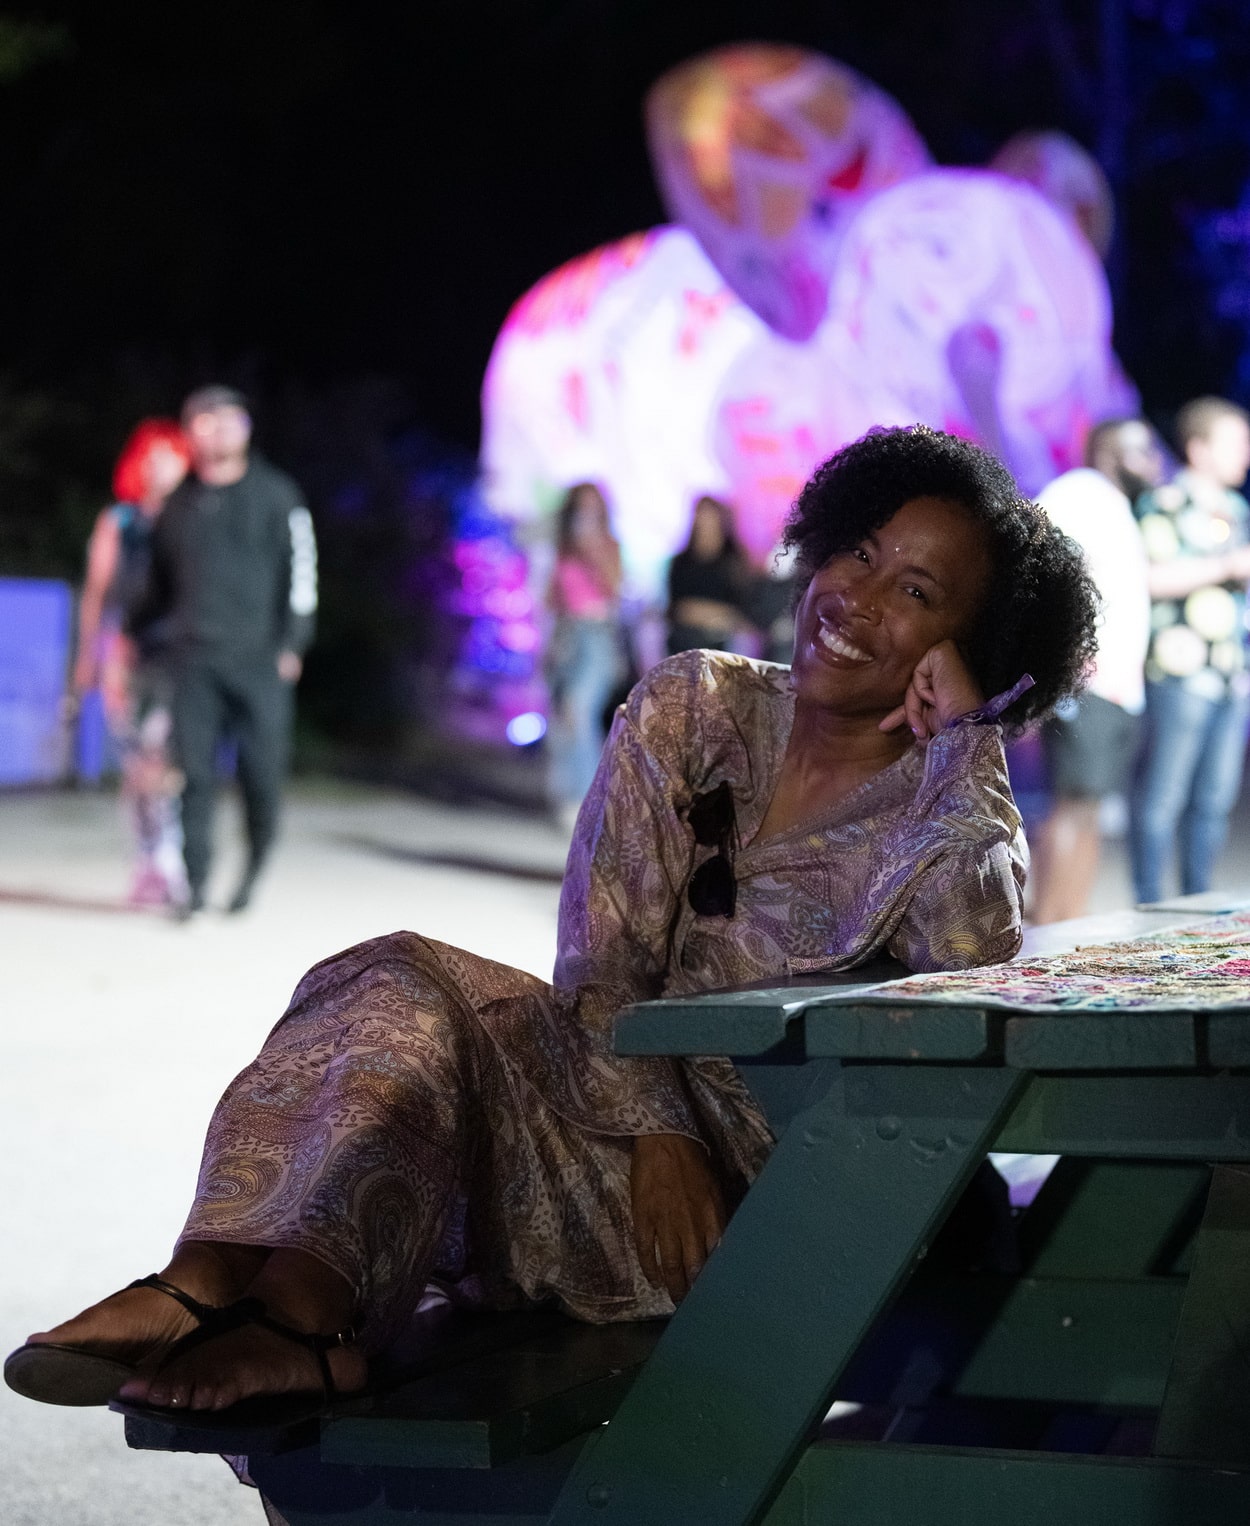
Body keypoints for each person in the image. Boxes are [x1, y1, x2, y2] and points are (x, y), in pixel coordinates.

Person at [6, 427, 1096, 1426]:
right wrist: (657, 1131)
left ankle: (292, 1321)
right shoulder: (696, 701)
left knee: (412, 997)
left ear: (963, 645)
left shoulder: (948, 811)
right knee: (390, 974)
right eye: (855, 552)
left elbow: (969, 966)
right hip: (612, 1126)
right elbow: (602, 950)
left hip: (749, 1205)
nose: (853, 598)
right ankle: (217, 1284)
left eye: (912, 589)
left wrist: (966, 739)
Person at [129, 386, 318, 917]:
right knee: (193, 776)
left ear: (247, 427)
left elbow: (301, 576)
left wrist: (293, 642)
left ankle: (253, 869)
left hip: (261, 662)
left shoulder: (278, 495)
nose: (217, 429)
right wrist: (128, 632)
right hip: (193, 661)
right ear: (189, 432)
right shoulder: (178, 506)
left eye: (228, 418)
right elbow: (157, 587)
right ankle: (194, 885)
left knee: (261, 778)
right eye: (204, 420)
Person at [1028, 419, 1164, 923]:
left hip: (1115, 685)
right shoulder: (1080, 492)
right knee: (1074, 801)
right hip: (1086, 678)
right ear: (1110, 452)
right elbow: (1043, 565)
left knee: (1090, 809)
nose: (1155, 462)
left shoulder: (1113, 505)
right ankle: (1047, 923)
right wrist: (1063, 647)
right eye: (1144, 450)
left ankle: (1066, 922)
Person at [1130, 397, 1250, 904]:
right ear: (1198, 449)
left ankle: (1198, 903)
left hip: (1233, 672)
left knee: (1215, 799)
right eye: (1236, 442)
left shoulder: (1239, 509)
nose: (1245, 453)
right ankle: (1152, 904)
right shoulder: (1165, 503)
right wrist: (1225, 567)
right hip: (1180, 671)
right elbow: (1150, 579)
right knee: (1164, 796)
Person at [71, 419, 193, 905]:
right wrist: (87, 658)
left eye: (168, 455)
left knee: (165, 759)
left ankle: (169, 856)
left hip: (178, 657)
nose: (158, 465)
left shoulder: (193, 521)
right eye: (150, 455)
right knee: (136, 763)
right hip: (125, 653)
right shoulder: (118, 521)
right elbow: (97, 595)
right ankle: (147, 861)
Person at [545, 483, 625, 819]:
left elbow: (616, 589)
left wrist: (595, 553)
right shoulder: (563, 550)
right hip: (568, 634)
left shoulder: (608, 546)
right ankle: (567, 794)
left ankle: (590, 800)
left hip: (597, 635)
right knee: (564, 715)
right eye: (581, 508)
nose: (586, 515)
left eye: (593, 508)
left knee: (580, 711)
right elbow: (552, 599)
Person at [666, 495, 754, 656]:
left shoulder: (734, 561)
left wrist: (704, 614)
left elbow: (744, 609)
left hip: (726, 638)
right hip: (686, 637)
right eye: (700, 514)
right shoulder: (680, 562)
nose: (704, 521)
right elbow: (675, 608)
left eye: (709, 515)